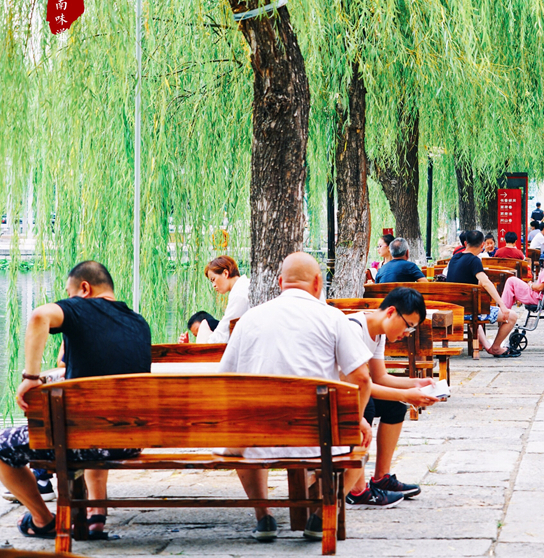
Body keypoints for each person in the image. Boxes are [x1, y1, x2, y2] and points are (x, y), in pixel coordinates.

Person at [216, 252, 390, 542]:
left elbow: (225, 379)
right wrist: (353, 421)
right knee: (358, 445)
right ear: (318, 283)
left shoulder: (250, 319)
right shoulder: (333, 318)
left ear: (281, 282)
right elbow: (362, 379)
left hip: (260, 440)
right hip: (316, 440)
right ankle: (322, 515)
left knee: (242, 433)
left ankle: (264, 517)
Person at [0, 261, 151, 541]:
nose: (67, 299)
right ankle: (96, 518)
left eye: (69, 293)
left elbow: (39, 316)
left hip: (83, 440)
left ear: (84, 288)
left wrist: (31, 377)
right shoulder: (138, 322)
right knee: (93, 422)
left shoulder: (80, 307)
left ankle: (43, 521)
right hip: (128, 441)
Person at [345, 288, 440, 503]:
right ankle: (357, 490)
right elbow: (360, 385)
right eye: (409, 326)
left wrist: (416, 383)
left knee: (395, 406)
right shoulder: (353, 328)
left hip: (356, 390)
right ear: (390, 312)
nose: (407, 333)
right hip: (340, 394)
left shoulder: (378, 334)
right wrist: (407, 394)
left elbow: (379, 377)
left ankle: (381, 478)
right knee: (367, 405)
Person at [446, 230, 520, 357]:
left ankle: (488, 346)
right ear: (482, 245)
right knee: (512, 316)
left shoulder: (454, 258)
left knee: (474, 311)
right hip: (469, 313)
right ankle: (496, 347)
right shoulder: (474, 260)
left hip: (454, 309)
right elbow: (485, 282)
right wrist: (502, 304)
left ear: (465, 243)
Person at [178, 256, 249, 344]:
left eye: (213, 279)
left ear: (225, 273)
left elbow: (223, 333)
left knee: (204, 324)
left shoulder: (240, 294)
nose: (213, 285)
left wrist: (199, 347)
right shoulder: (242, 288)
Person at [501, 240, 544, 309]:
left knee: (511, 281)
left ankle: (504, 312)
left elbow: (540, 288)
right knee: (513, 284)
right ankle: (506, 310)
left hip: (541, 299)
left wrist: (531, 285)